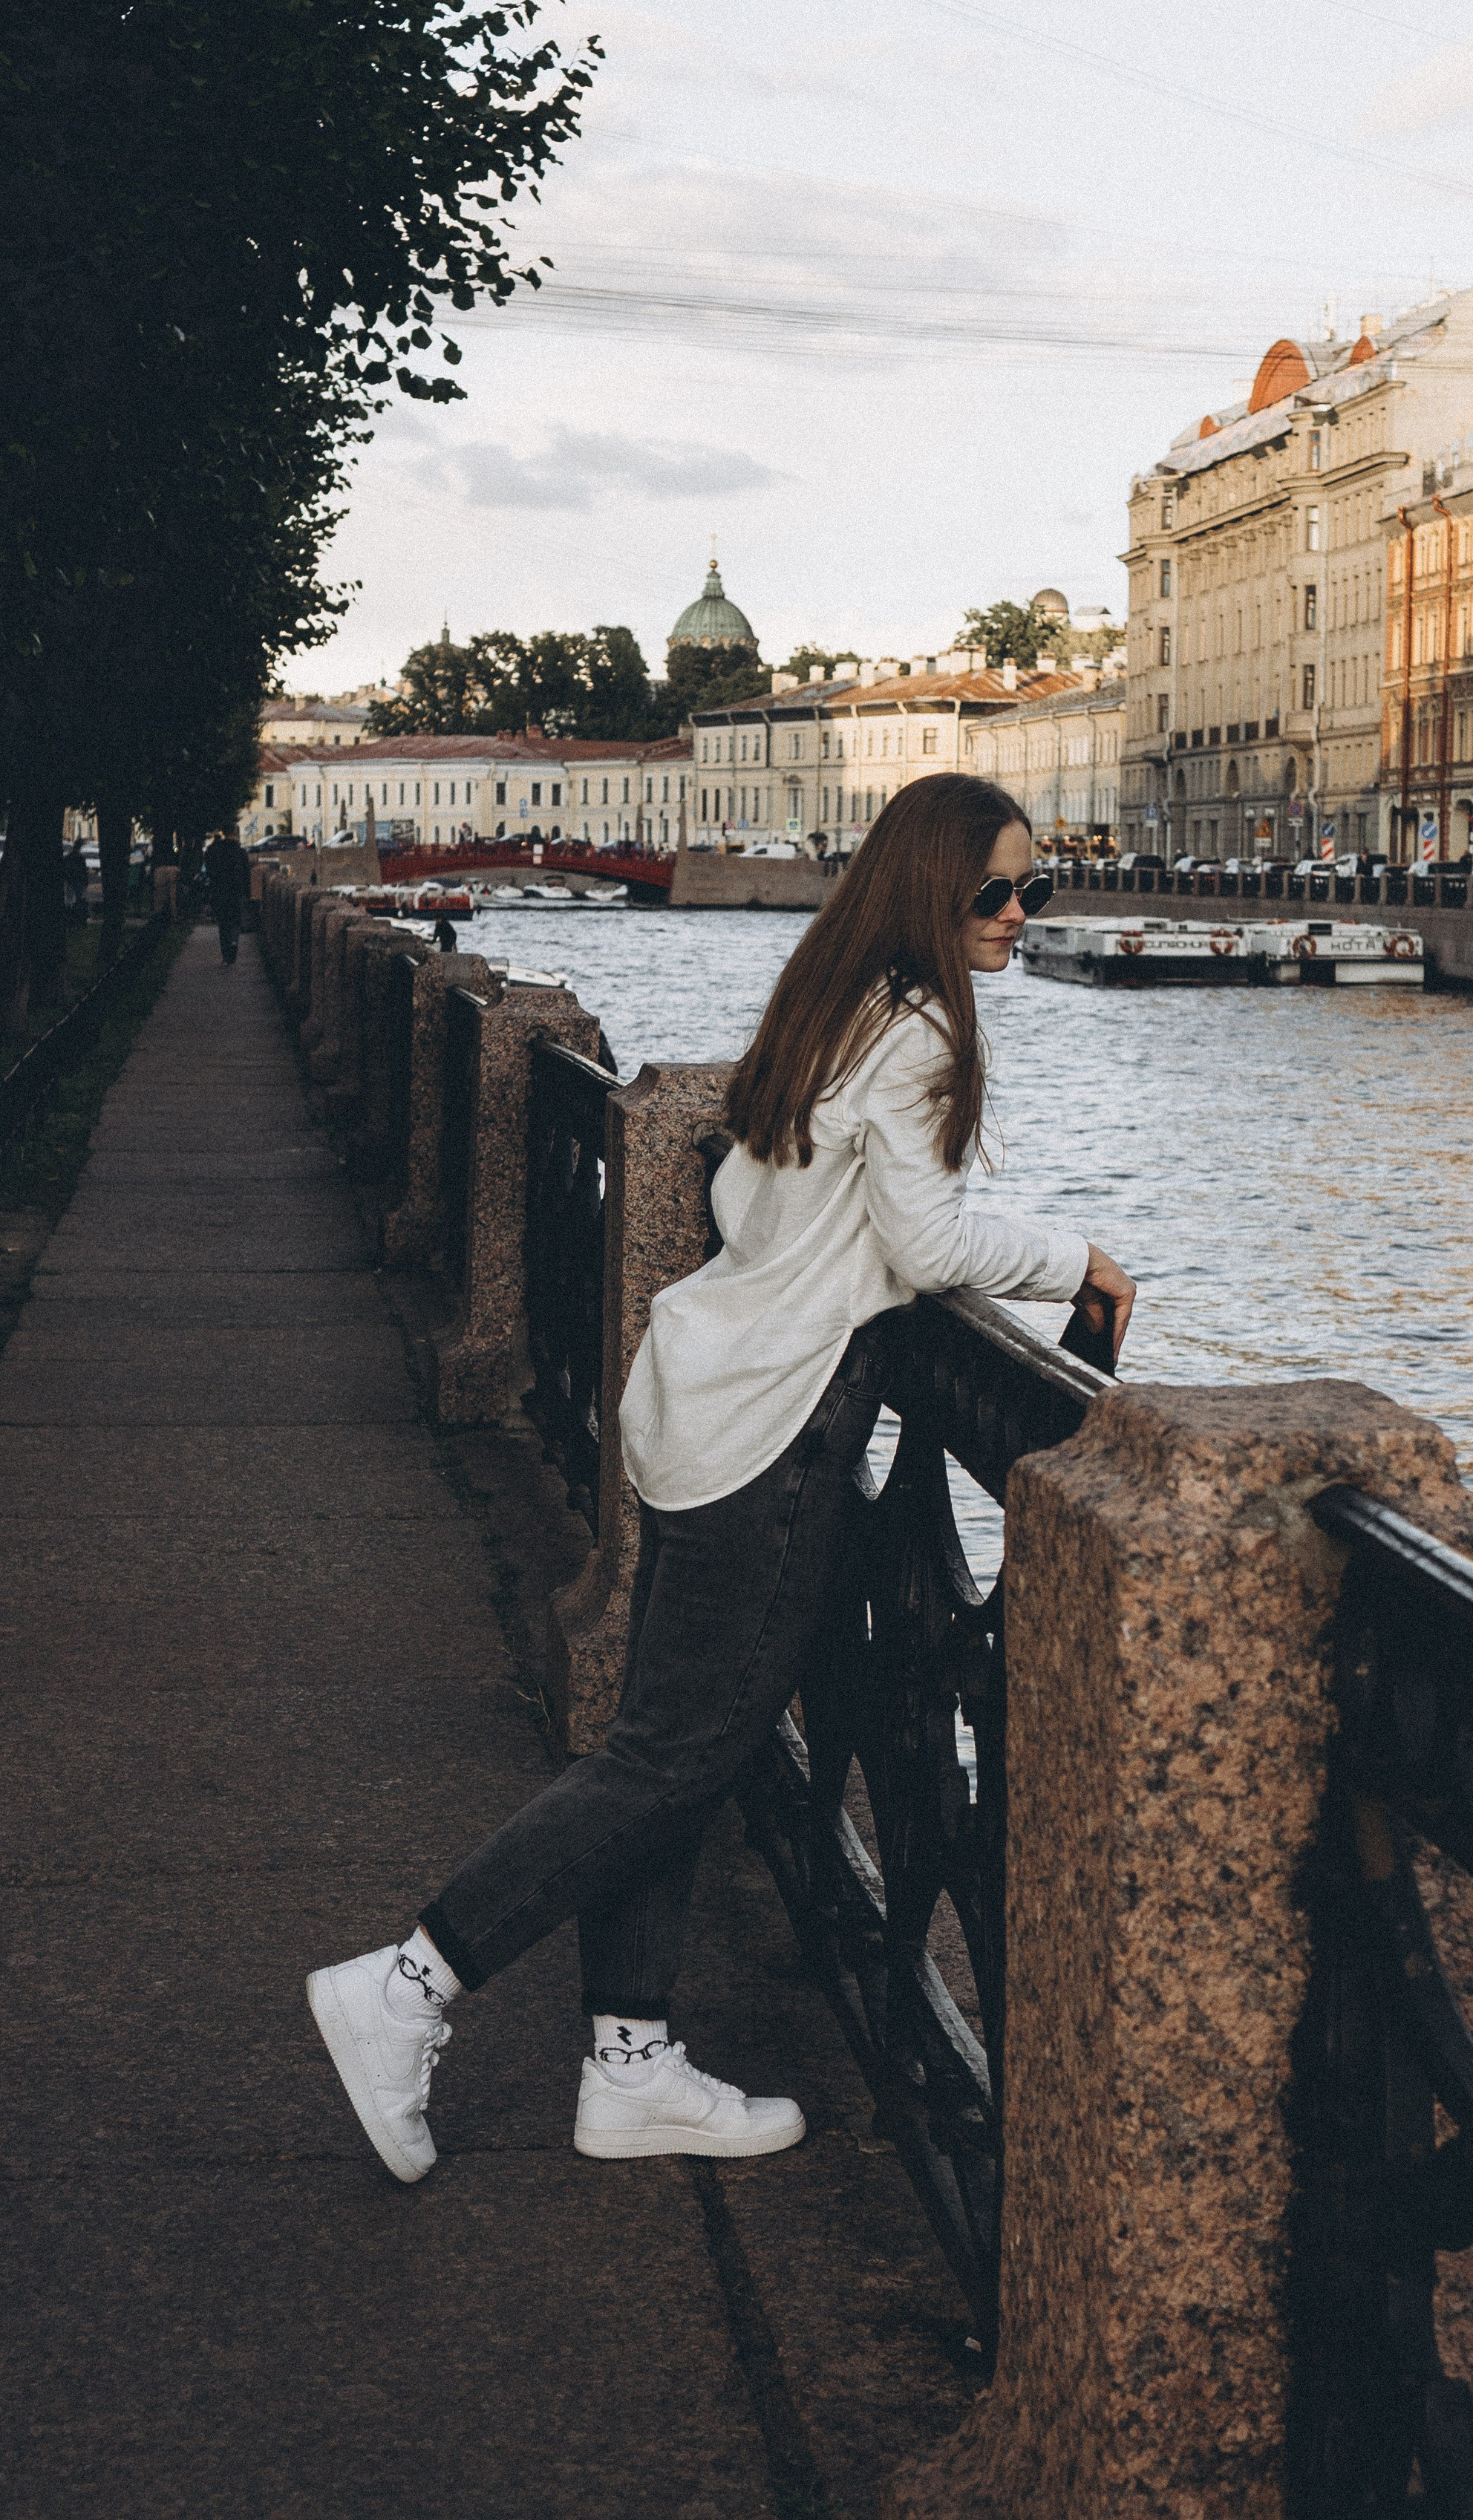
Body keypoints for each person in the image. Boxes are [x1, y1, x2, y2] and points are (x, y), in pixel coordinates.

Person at [307, 775, 1137, 2184]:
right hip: (774, 1426)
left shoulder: (834, 1003)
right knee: (676, 1753)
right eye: (996, 892)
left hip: (698, 1393)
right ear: (931, 895)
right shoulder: (927, 1027)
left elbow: (754, 1205)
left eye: (1029, 891)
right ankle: (409, 1984)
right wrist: (1085, 1264)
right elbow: (927, 1246)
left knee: (672, 1744)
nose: (1017, 916)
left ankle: (629, 2062)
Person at [202, 829, 249, 967]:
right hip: (236, 891)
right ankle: (234, 941)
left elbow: (209, 869)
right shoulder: (240, 852)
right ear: (235, 833)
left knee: (223, 924)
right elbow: (246, 874)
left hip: (219, 891)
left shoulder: (214, 850)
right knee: (235, 919)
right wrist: (247, 893)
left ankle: (226, 956)